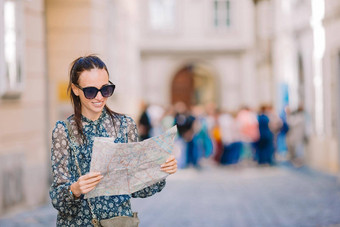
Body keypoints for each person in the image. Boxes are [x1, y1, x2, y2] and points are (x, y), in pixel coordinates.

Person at [49, 55, 177, 226]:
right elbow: (58, 199)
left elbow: (138, 188)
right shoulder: (63, 130)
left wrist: (161, 170)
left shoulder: (125, 125)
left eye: (106, 89)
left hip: (118, 222)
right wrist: (75, 190)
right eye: (90, 91)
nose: (100, 97)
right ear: (76, 89)